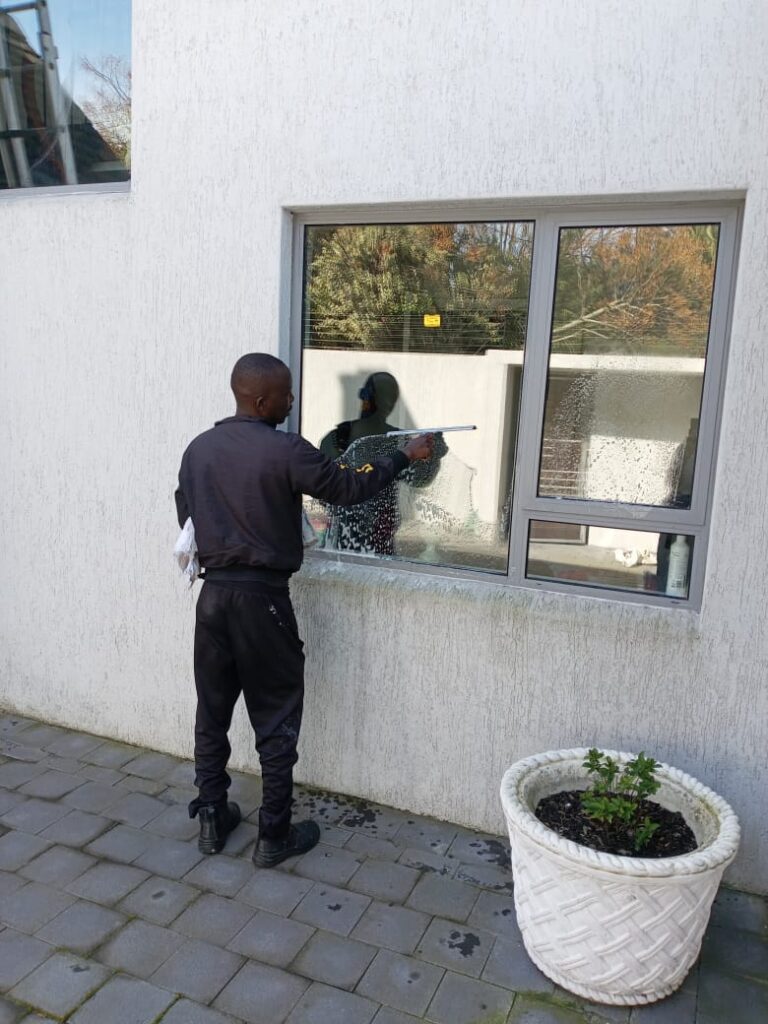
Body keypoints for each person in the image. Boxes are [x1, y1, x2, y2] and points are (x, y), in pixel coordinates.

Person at [174, 354, 434, 867]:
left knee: (212, 711)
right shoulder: (285, 449)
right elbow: (349, 487)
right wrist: (405, 455)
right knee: (276, 717)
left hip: (213, 600)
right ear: (260, 400)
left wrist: (228, 534)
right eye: (286, 394)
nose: (292, 401)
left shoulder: (198, 449)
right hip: (262, 603)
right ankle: (274, 835)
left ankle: (212, 817)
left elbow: (186, 509)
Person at [318, 372, 447, 554]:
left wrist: (432, 456)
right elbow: (322, 489)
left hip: (373, 539)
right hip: (349, 537)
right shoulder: (338, 439)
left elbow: (419, 479)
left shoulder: (397, 441)